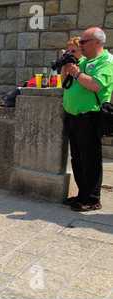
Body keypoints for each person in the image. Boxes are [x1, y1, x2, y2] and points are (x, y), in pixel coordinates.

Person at [61, 27, 113, 212]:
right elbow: (64, 83)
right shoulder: (83, 61)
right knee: (77, 158)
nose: (80, 45)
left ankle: (92, 198)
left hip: (90, 115)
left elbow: (96, 85)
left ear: (97, 42)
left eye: (83, 42)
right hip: (74, 115)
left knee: (90, 159)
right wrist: (66, 65)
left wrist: (76, 73)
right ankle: (82, 193)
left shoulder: (105, 61)